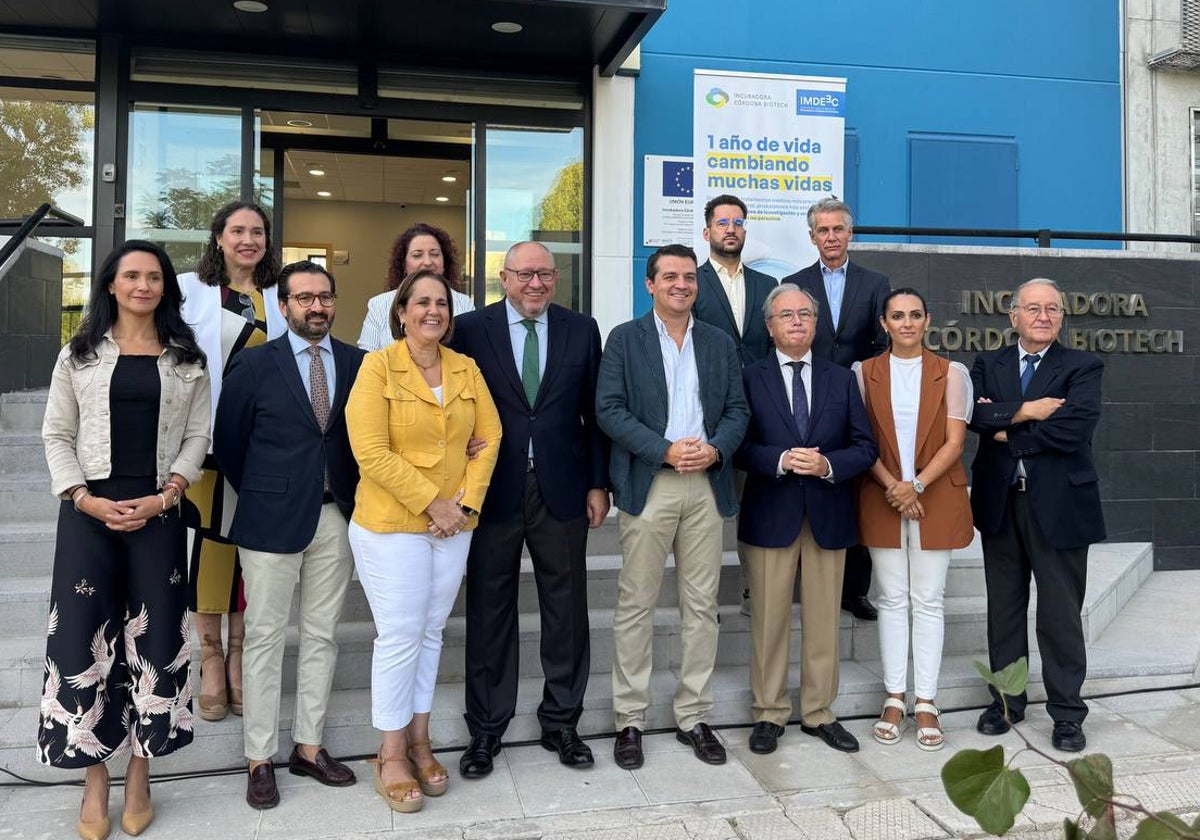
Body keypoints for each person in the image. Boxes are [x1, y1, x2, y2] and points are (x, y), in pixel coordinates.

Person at [40, 240, 210, 840]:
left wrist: (168, 495)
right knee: (82, 644)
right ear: (110, 283)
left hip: (158, 515)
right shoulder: (78, 355)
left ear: (166, 287)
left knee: (157, 641)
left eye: (154, 277)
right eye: (131, 275)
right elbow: (57, 434)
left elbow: (196, 436)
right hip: (88, 514)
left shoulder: (187, 358)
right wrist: (84, 498)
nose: (143, 285)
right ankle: (94, 777)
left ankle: (139, 771)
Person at [450, 242, 609, 778]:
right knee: (490, 608)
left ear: (556, 277)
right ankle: (486, 730)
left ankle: (562, 722)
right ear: (503, 277)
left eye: (545, 273)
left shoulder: (582, 329)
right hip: (491, 489)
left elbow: (594, 413)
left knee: (566, 610)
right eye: (524, 274)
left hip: (561, 488)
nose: (535, 283)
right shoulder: (471, 329)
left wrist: (598, 484)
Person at [347, 269, 502, 812]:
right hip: (392, 524)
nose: (432, 311)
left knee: (431, 632)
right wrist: (433, 502)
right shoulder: (376, 367)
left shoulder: (466, 368)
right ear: (401, 312)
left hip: (453, 526)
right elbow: (371, 451)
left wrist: (463, 505)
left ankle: (420, 739)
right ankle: (389, 753)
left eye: (441, 303)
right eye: (421, 303)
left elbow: (491, 437)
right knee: (400, 634)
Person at [212, 261, 365, 809]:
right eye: (304, 298)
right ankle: (259, 758)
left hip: (337, 517)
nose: (316, 307)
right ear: (284, 306)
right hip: (270, 519)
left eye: (324, 297)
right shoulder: (254, 365)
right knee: (265, 639)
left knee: (322, 635)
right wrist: (269, 489)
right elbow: (229, 444)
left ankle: (309, 746)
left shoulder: (358, 363)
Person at [596, 244, 749, 770]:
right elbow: (608, 409)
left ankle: (694, 715)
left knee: (701, 607)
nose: (681, 284)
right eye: (669, 277)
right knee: (636, 604)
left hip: (706, 484)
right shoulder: (624, 339)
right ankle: (630, 719)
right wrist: (661, 448)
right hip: (651, 481)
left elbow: (736, 409)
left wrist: (715, 448)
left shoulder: (719, 342)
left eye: (688, 276)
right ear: (650, 284)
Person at [736, 284, 876, 756]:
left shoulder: (841, 379)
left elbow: (865, 447)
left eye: (804, 314)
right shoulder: (749, 377)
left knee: (822, 621)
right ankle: (769, 713)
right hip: (770, 511)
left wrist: (828, 465)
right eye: (785, 315)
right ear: (769, 327)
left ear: (816, 325)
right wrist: (779, 459)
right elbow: (737, 445)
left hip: (827, 513)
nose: (796, 321)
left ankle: (819, 712)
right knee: (769, 621)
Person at [969, 277, 1105, 753]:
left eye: (1052, 308)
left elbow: (1074, 427)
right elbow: (977, 419)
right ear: (1013, 317)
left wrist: (1010, 426)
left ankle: (1067, 714)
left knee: (1059, 613)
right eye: (1033, 308)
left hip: (1061, 506)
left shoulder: (1083, 365)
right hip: (1001, 501)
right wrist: (1030, 409)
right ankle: (1006, 702)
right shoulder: (988, 363)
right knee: (1004, 610)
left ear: (1062, 317)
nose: (1043, 315)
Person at [854, 289, 974, 751]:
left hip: (935, 494)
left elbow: (954, 442)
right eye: (897, 316)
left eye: (915, 315)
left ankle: (926, 701)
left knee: (928, 599)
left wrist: (915, 486)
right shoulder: (863, 373)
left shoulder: (952, 372)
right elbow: (861, 438)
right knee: (891, 598)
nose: (906, 323)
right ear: (884, 323)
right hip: (881, 491)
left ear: (928, 320)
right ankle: (893, 697)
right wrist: (895, 488)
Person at [179, 200, 285, 722]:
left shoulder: (278, 296)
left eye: (257, 231)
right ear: (218, 237)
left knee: (250, 551)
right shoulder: (187, 290)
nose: (248, 239)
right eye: (237, 230)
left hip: (262, 449)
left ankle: (241, 655)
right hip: (206, 445)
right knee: (207, 550)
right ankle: (212, 658)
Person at [782, 197, 890, 622]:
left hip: (857, 400)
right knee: (808, 488)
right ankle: (810, 583)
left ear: (850, 233)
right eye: (822, 230)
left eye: (838, 229)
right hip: (807, 397)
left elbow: (883, 342)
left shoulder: (875, 281)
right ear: (812, 237)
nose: (830, 237)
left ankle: (855, 590)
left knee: (856, 491)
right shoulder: (795, 281)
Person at [691, 193, 779, 617]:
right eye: (723, 222)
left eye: (738, 222)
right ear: (707, 231)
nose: (731, 228)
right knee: (705, 513)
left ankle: (752, 591)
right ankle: (701, 601)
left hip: (760, 417)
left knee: (755, 508)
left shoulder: (768, 287)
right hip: (708, 417)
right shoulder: (692, 283)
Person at [357, 222, 474, 352]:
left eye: (435, 254)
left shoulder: (464, 304)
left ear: (445, 262)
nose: (428, 262)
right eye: (417, 255)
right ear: (404, 264)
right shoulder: (379, 305)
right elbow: (365, 357)